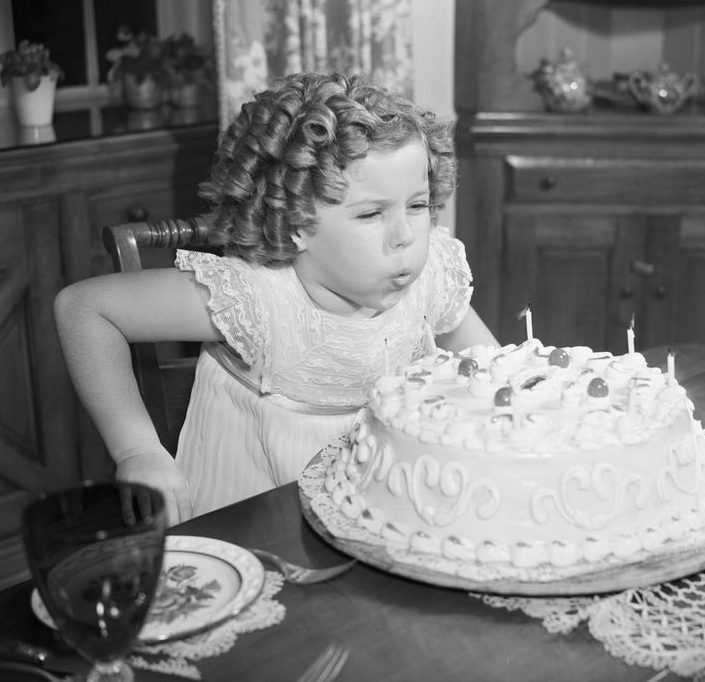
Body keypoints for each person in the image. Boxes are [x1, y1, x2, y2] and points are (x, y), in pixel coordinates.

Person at [54, 72, 499, 525]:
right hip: (263, 523)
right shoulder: (257, 299)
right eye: (371, 214)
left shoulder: (430, 277)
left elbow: (494, 373)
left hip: (390, 508)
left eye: (418, 206)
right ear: (295, 223)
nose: (405, 237)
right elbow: (84, 310)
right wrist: (137, 450)